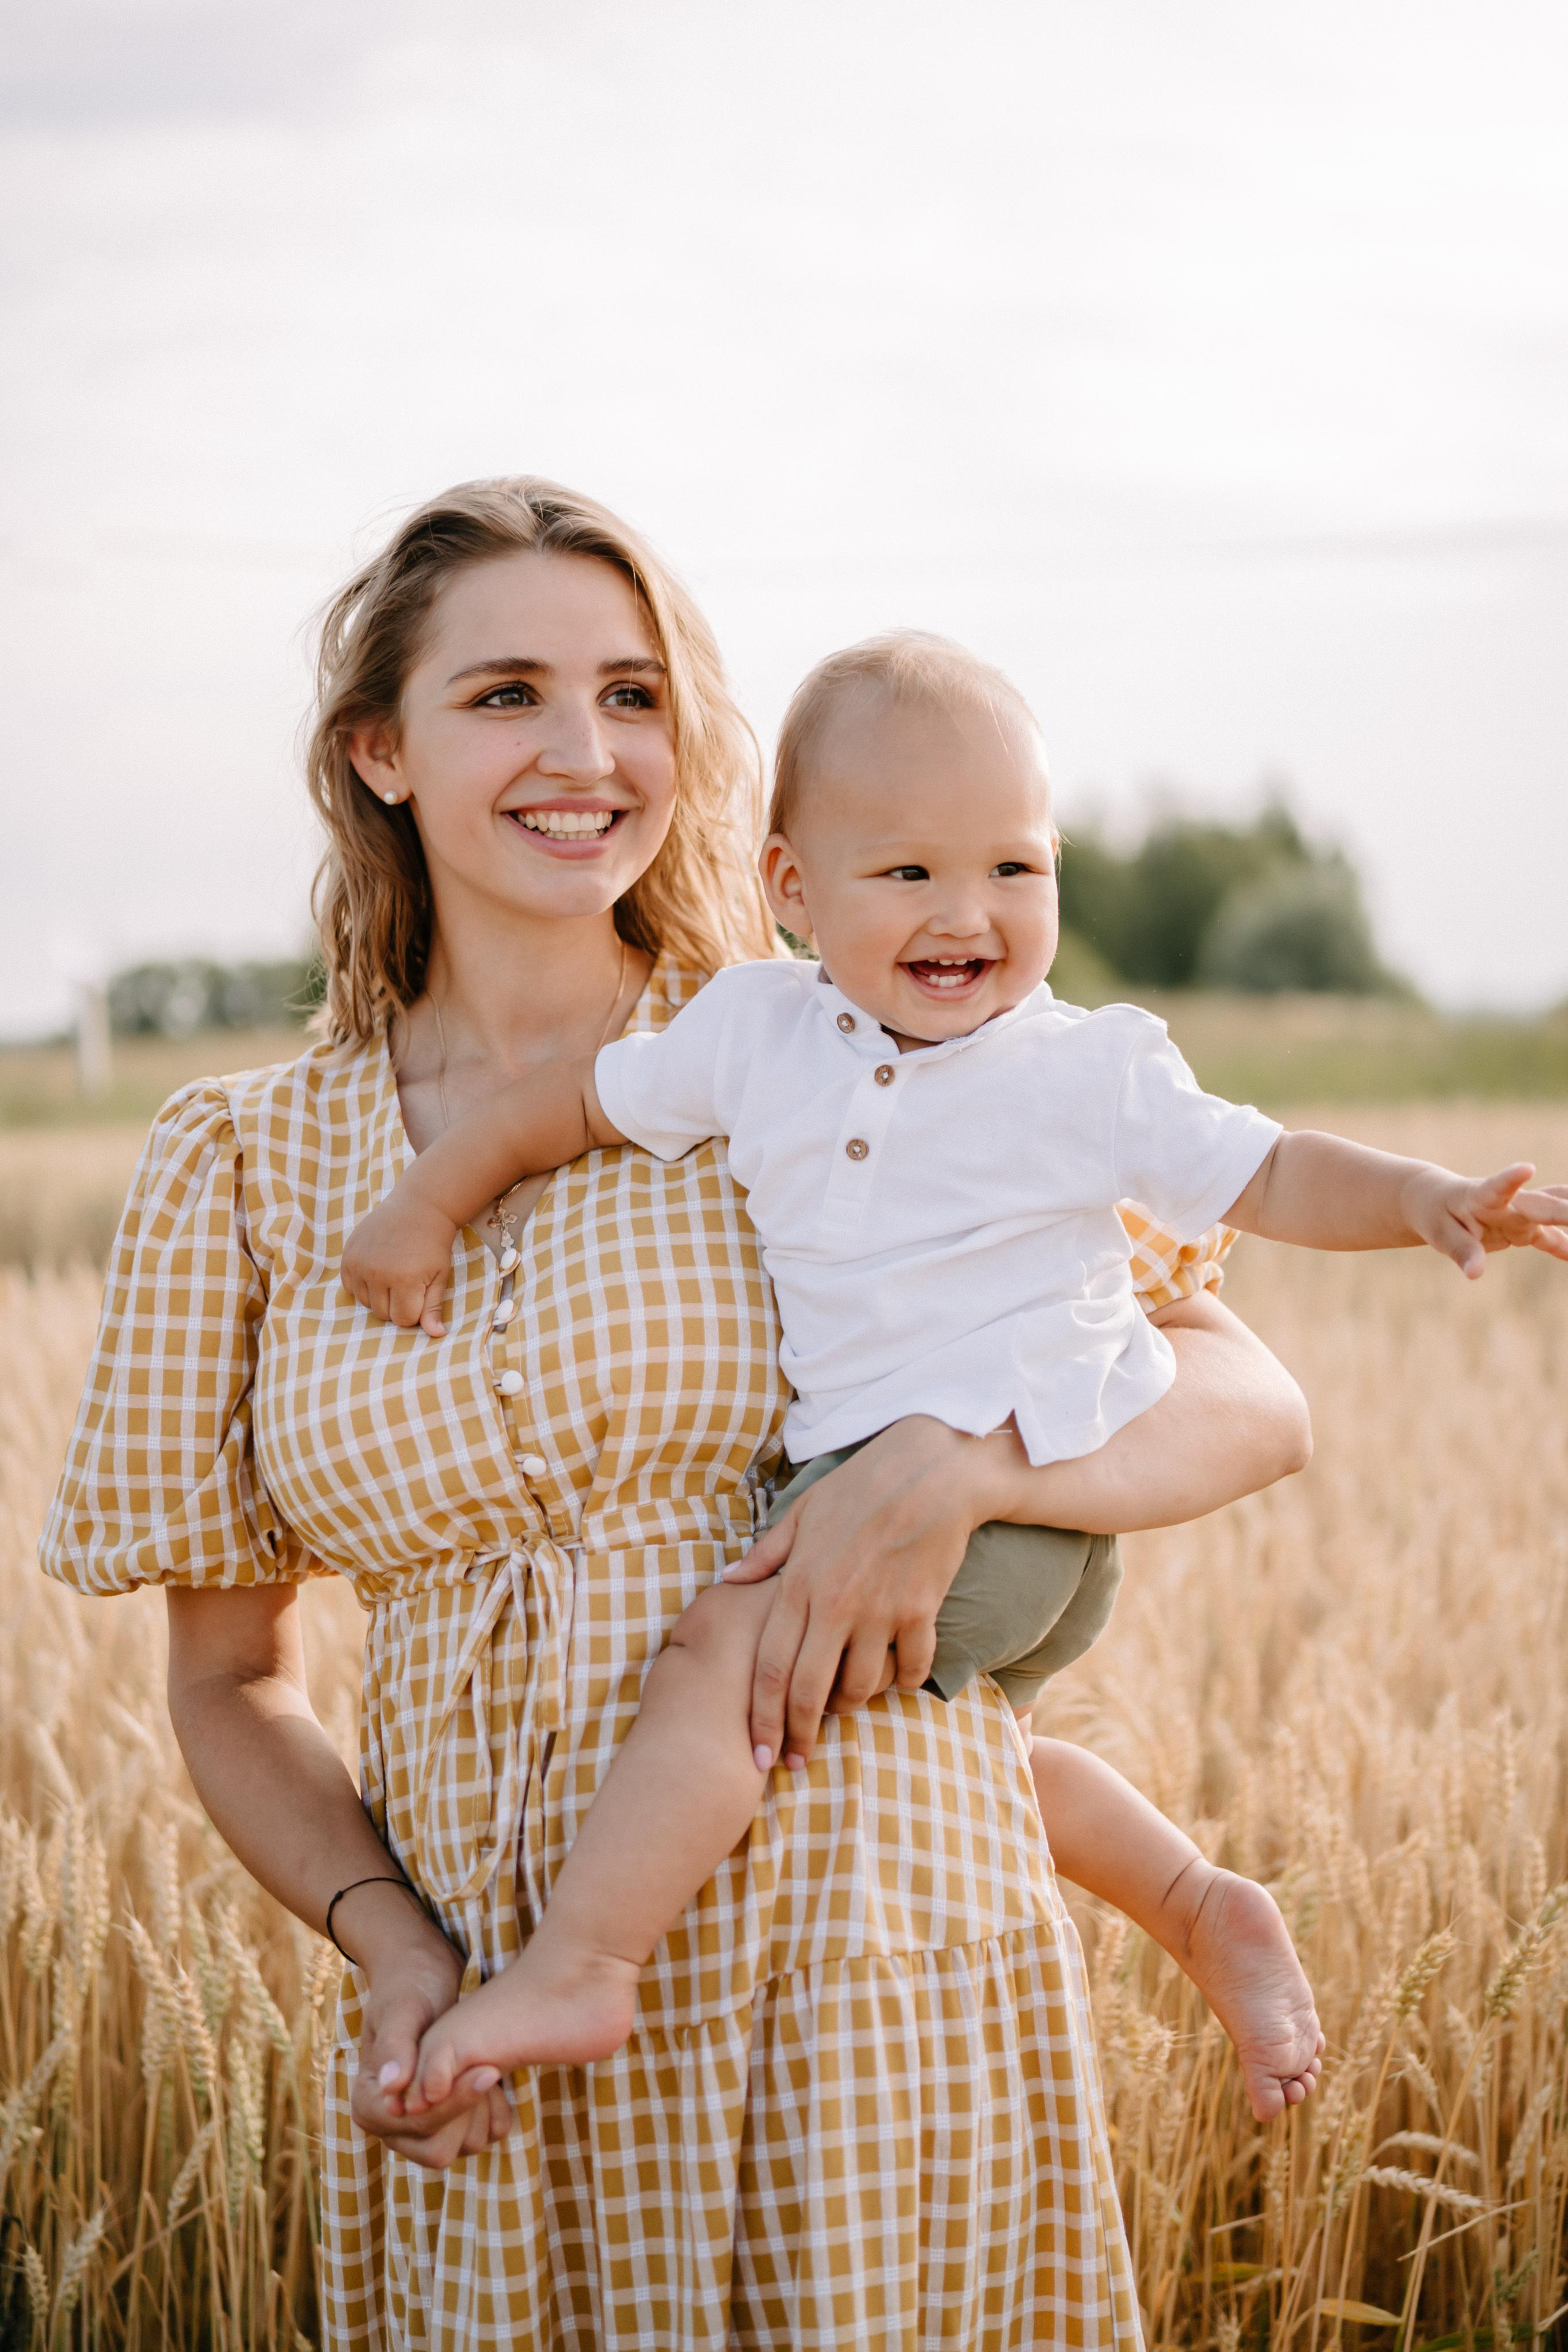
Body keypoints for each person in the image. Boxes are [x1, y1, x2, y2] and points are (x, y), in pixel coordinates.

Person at [43, 480, 1325, 2351]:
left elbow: (1243, 1387)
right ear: (378, 751)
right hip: (499, 2003)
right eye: (507, 697)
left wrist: (955, 1467)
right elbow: (226, 1677)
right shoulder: (239, 1159)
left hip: (873, 1958)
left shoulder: (833, 1047)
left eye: (634, 694)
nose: (585, 753)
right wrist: (396, 1950)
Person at [344, 625, 1568, 2132]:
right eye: (908, 873)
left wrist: (1422, 1196)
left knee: (722, 1666)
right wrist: (425, 1203)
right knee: (976, 1749)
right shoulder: (754, 1037)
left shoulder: (1084, 1066)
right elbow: (563, 1110)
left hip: (1022, 1488)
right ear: (789, 889)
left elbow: (1266, 1171)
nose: (967, 915)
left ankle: (586, 1958)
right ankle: (1193, 1899)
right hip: (929, 1512)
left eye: (1014, 869)